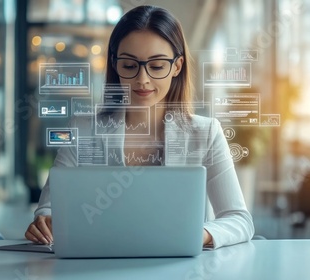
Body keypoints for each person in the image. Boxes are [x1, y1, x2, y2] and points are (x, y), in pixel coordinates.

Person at [25, 5, 254, 249]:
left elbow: (239, 220)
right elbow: (49, 207)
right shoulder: (83, 129)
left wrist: (200, 234)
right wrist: (45, 221)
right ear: (114, 65)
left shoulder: (206, 133)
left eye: (156, 66)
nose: (142, 79)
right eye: (129, 65)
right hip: (97, 264)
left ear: (177, 66)